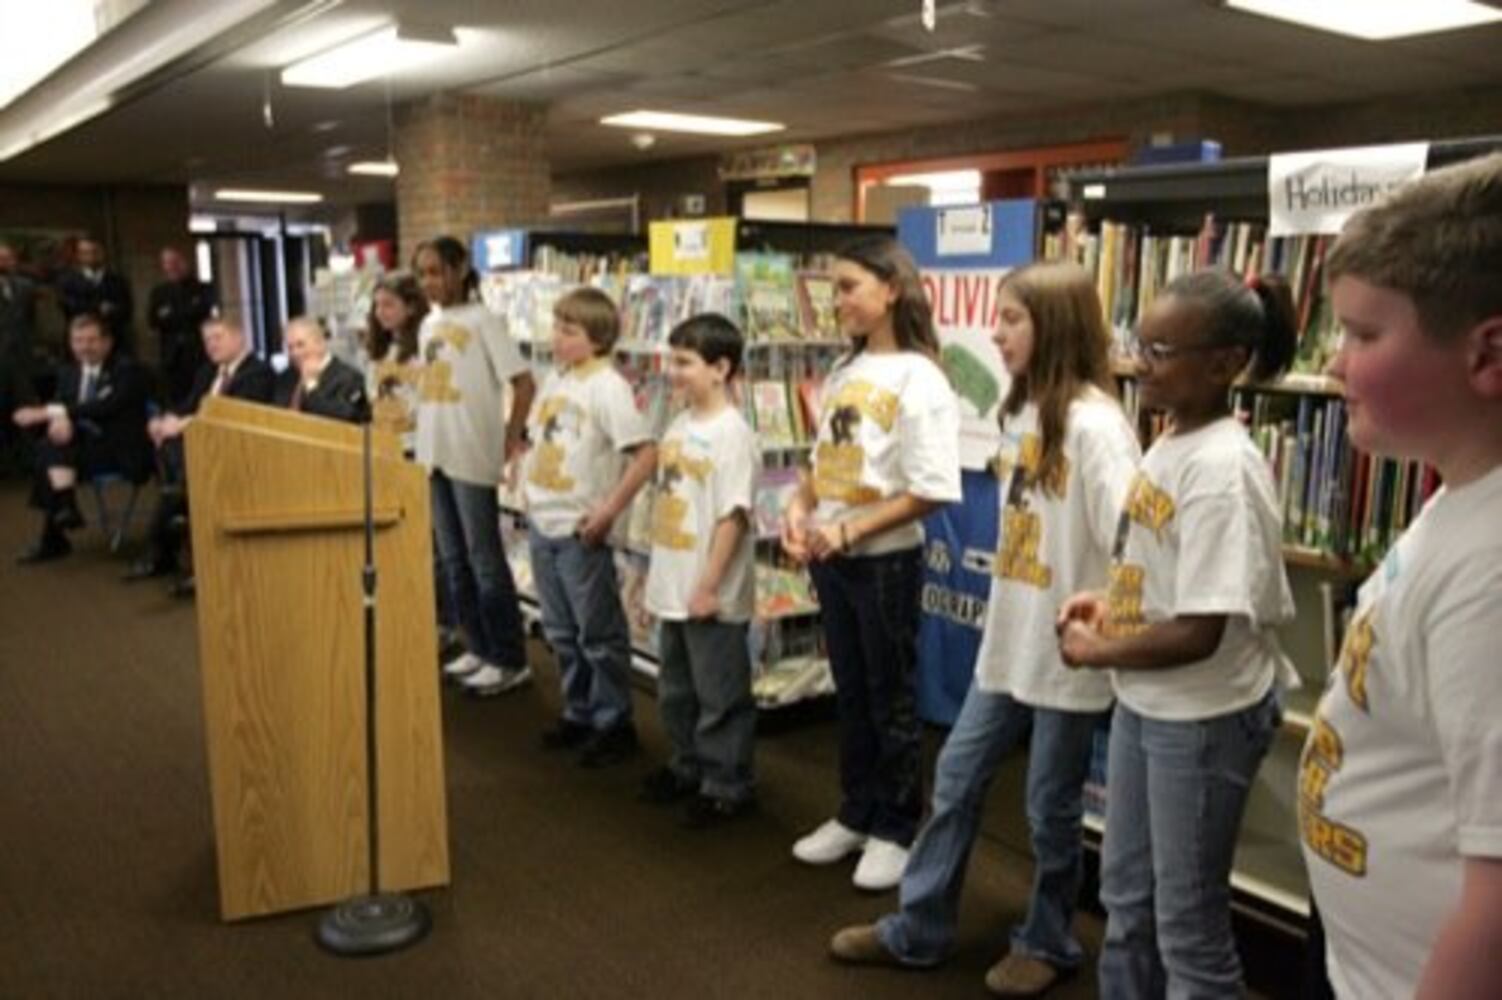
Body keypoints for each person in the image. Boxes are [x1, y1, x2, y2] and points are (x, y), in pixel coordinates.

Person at [829, 262, 1141, 995]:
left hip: (1066, 653)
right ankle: (920, 925)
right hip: (1009, 642)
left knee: (1049, 807)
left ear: (1055, 326)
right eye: (997, 318)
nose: (994, 334)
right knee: (959, 777)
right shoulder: (1023, 411)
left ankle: (1048, 937)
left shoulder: (1097, 426)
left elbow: (1132, 544)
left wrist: (1101, 612)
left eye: (1011, 320)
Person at [1056, 268, 1300, 997]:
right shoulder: (1170, 440)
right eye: (1140, 344)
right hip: (1150, 702)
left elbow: (1200, 631)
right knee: (1126, 899)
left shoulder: (1224, 468)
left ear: (1224, 365)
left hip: (1200, 717)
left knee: (1188, 930)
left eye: (1161, 350)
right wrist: (1111, 601)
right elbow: (1167, 575)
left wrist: (1099, 651)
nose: (1140, 362)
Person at [1299, 153, 1502, 999]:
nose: (1337, 365)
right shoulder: (1458, 502)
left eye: (1364, 334)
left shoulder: (1494, 570)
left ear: (1488, 353)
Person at [780, 236, 962, 891]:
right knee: (851, 693)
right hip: (834, 558)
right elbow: (822, 461)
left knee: (893, 699)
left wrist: (852, 528)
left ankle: (896, 825)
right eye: (835, 290)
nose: (839, 303)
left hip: (883, 562)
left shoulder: (922, 378)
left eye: (850, 287)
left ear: (892, 289)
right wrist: (799, 510)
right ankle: (856, 810)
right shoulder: (842, 371)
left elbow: (933, 485)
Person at [521, 286, 656, 766]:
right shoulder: (556, 378)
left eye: (568, 330)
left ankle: (613, 720)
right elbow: (537, 439)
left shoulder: (609, 387)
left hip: (581, 530)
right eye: (556, 326)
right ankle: (579, 710)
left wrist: (608, 512)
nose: (556, 337)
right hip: (543, 520)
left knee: (597, 632)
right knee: (559, 629)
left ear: (597, 338)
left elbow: (644, 454)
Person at [639, 313, 760, 825]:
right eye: (673, 360)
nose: (673, 371)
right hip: (672, 582)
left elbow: (733, 516)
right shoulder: (679, 422)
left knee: (720, 696)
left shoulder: (733, 435)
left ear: (720, 368)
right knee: (677, 689)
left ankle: (726, 783)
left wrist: (709, 585)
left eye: (685, 362)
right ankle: (686, 764)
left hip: (709, 592)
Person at [414, 235, 536, 697]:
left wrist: (512, 434)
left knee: (485, 560)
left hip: (471, 452)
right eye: (422, 274)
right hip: (434, 454)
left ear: (460, 268)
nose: (429, 282)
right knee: (452, 560)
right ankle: (478, 646)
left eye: (436, 271)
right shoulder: (429, 324)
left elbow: (524, 383)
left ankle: (509, 657)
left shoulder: (486, 320)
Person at [124, 316, 274, 582]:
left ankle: (165, 542)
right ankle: (178, 501)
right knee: (169, 444)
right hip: (200, 451)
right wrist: (166, 419)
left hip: (237, 450)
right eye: (207, 340)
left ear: (239, 338)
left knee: (179, 462)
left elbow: (235, 418)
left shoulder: (258, 372)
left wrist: (183, 424)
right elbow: (188, 404)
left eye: (218, 337)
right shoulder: (208, 371)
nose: (212, 345)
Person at [12, 313, 151, 562]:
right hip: (82, 451)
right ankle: (63, 509)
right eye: (77, 340)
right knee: (52, 445)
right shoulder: (68, 372)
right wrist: (60, 420)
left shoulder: (127, 370)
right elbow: (64, 404)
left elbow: (105, 406)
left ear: (107, 342)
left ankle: (58, 527)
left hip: (121, 451)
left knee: (49, 454)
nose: (84, 347)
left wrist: (54, 413)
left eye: (91, 340)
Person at [363, 272, 427, 455]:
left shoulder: (424, 349)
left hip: (415, 446)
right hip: (383, 445)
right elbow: (372, 396)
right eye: (377, 305)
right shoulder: (379, 352)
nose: (380, 312)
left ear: (411, 307)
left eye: (388, 305)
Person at [147, 246, 217, 407]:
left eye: (176, 262)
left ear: (185, 262)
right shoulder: (159, 292)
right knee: (176, 399)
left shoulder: (202, 288)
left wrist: (170, 314)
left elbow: (200, 312)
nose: (172, 267)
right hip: (171, 357)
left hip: (199, 353)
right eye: (167, 263)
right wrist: (183, 312)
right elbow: (153, 321)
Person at [274, 316, 368, 423]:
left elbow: (346, 417)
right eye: (290, 348)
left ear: (320, 344)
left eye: (301, 345)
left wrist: (311, 385)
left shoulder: (349, 377)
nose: (295, 353)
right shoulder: (286, 376)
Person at [57, 238, 133, 353]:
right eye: (85, 253)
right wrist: (98, 307)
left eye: (94, 251)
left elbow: (127, 310)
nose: (91, 256)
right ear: (79, 255)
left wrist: (112, 311)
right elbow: (68, 306)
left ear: (102, 253)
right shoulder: (68, 281)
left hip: (114, 343)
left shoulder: (118, 281)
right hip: (81, 343)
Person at [0, 242, 38, 474]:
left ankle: (29, 462)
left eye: (7, 258)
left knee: (25, 408)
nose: (4, 263)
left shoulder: (25, 287)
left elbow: (29, 320)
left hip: (21, 359)